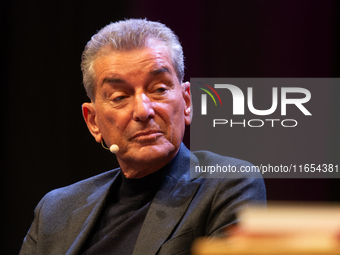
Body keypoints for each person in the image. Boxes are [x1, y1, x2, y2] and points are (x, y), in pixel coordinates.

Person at [19, 19, 266, 255]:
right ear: (93, 121)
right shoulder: (55, 210)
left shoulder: (227, 184)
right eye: (119, 97)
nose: (143, 110)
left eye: (159, 89)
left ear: (187, 102)